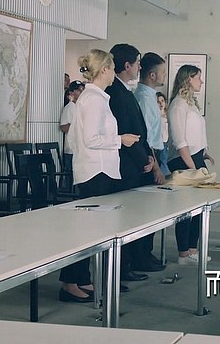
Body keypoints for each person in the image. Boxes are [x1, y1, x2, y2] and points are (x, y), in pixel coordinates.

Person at [61, 49, 139, 302]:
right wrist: (120, 140)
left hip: (98, 169)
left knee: (91, 230)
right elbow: (91, 139)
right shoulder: (93, 99)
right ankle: (70, 282)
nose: (114, 73)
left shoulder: (95, 97)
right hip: (97, 171)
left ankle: (82, 279)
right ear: (104, 70)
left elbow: (78, 139)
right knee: (87, 231)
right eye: (112, 68)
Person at [105, 43, 165, 279]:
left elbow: (140, 133)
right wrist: (146, 160)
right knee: (126, 218)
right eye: (138, 63)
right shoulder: (116, 93)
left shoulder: (125, 91)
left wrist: (147, 157)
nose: (140, 67)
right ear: (127, 65)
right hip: (127, 163)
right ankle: (122, 267)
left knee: (137, 216)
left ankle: (130, 263)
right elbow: (127, 132)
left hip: (138, 158)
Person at [168, 65, 214, 265]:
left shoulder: (191, 103)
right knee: (186, 209)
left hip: (195, 157)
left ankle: (193, 249)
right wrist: (192, 167)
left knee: (198, 209)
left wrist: (203, 154)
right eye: (198, 78)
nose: (201, 82)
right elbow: (179, 140)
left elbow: (195, 133)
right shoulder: (178, 105)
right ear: (188, 79)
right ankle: (183, 253)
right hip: (183, 160)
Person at [134, 52, 168, 179]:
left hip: (155, 154)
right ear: (152, 75)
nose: (165, 75)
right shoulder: (144, 99)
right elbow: (147, 136)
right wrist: (156, 169)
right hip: (150, 159)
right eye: (163, 72)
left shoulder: (150, 96)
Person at [60, 80, 84, 186]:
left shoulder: (80, 107)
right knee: (70, 175)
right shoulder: (69, 107)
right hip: (71, 149)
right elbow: (64, 127)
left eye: (83, 90)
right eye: (79, 90)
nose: (81, 92)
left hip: (80, 148)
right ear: (71, 92)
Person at [157, 91, 171, 177]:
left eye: (162, 101)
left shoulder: (169, 115)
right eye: (158, 101)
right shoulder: (155, 116)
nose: (161, 103)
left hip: (168, 143)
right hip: (160, 143)